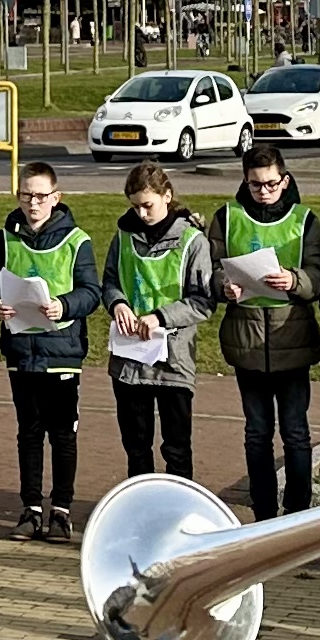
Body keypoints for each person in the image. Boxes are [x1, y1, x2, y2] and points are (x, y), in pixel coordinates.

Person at [0, 158, 103, 543]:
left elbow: (92, 292)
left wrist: (64, 305)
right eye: (26, 195)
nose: (33, 203)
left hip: (62, 353)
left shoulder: (77, 241)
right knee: (28, 432)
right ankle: (30, 509)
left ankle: (61, 511)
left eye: (41, 196)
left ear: (56, 197)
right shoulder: (5, 238)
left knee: (63, 434)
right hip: (22, 351)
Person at [216, 147, 320, 519]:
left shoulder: (304, 220)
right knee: (257, 433)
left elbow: (319, 276)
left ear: (286, 180)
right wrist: (224, 287)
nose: (263, 190)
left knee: (295, 433)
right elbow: (211, 270)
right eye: (255, 184)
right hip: (246, 342)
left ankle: (298, 511)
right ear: (245, 181)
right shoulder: (227, 218)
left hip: (291, 339)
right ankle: (263, 512)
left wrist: (295, 279)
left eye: (271, 183)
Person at [104, 162, 212, 482]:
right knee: (136, 447)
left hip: (174, 361)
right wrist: (118, 303)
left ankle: (179, 517)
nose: (141, 213)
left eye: (147, 205)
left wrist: (161, 317)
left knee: (176, 449)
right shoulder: (123, 237)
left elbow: (203, 301)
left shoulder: (193, 242)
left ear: (167, 195)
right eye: (135, 206)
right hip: (129, 358)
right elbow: (110, 280)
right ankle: (142, 515)